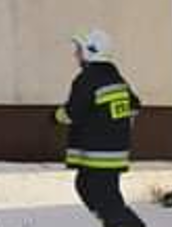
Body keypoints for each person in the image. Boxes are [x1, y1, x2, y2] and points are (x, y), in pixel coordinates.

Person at [56, 29, 145, 227]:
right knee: (88, 187)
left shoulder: (87, 79)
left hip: (99, 154)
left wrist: (55, 116)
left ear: (91, 51)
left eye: (79, 50)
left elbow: (72, 113)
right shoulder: (115, 78)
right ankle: (112, 222)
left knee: (106, 200)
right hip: (113, 152)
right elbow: (134, 105)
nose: (75, 54)